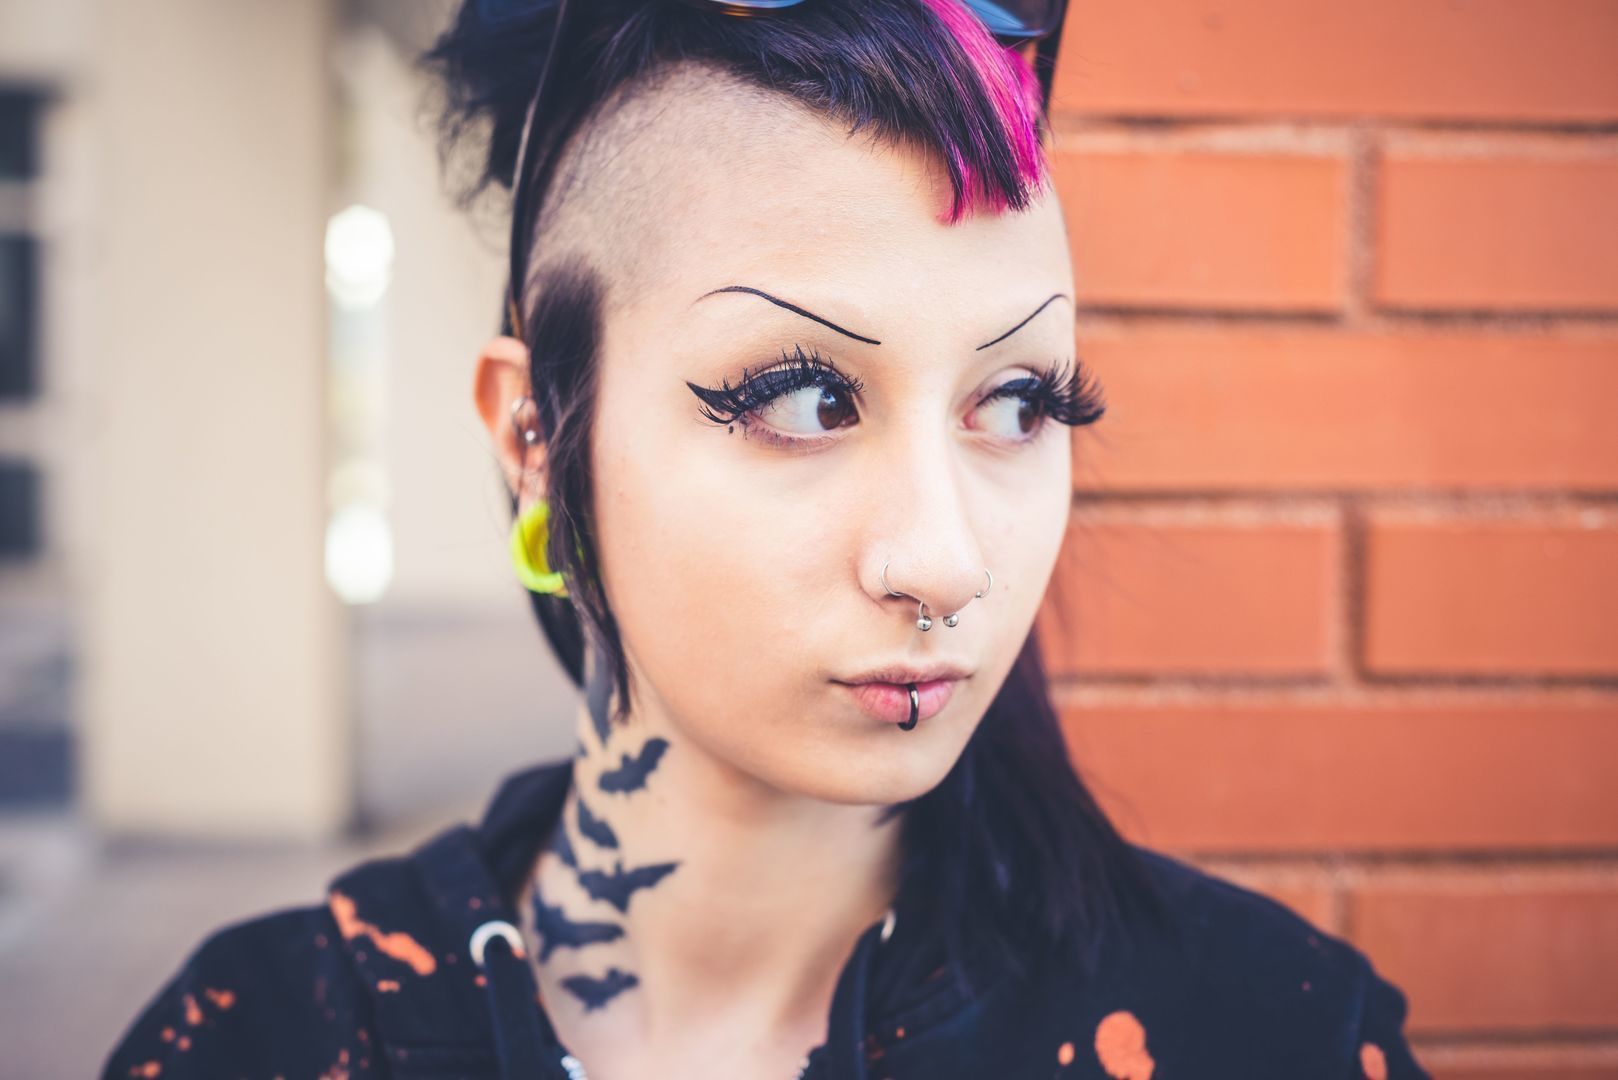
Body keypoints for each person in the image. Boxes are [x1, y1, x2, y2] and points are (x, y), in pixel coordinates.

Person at [101, 1, 1430, 1077]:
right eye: (803, 402)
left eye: (1019, 403)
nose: (945, 561)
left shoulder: (1266, 1034)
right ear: (534, 436)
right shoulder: (265, 1038)